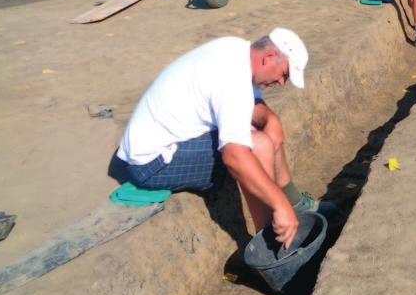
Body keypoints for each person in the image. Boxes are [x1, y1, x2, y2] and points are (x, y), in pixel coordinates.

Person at [115, 28, 318, 249]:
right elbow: (234, 157)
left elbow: (252, 108)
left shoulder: (238, 51)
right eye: (284, 74)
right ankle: (268, 245)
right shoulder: (231, 77)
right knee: (257, 146)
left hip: (173, 141)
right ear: (268, 58)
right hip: (152, 164)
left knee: (268, 128)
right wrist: (279, 206)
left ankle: (295, 203)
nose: (282, 83)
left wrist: (270, 119)